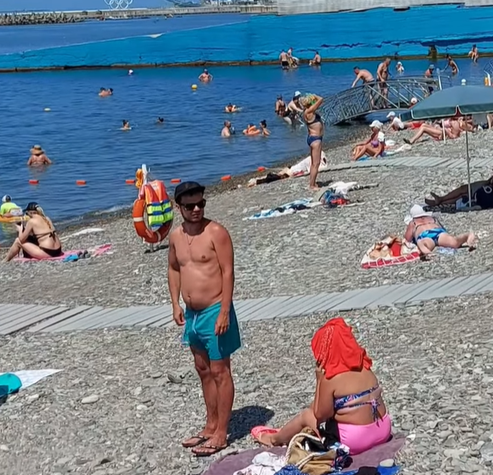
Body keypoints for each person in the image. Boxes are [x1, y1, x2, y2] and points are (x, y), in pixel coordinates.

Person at [168, 182, 238, 457]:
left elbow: (228, 272)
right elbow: (174, 268)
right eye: (190, 206)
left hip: (214, 309)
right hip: (192, 314)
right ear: (179, 208)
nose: (196, 209)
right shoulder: (176, 236)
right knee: (202, 368)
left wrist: (224, 311)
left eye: (201, 204)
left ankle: (222, 432)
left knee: (220, 371)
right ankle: (210, 425)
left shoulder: (216, 232)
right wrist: (175, 302)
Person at [253, 318, 392, 454]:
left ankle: (274, 439)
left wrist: (319, 380)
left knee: (305, 416)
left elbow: (320, 415)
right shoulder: (366, 368)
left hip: (356, 441)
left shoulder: (331, 379)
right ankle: (286, 431)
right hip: (383, 431)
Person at [426, 162, 493, 208]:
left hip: (487, 194)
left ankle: (438, 202)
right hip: (485, 188)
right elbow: (488, 181)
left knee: (463, 196)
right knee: (463, 188)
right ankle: (441, 199)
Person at [403, 204, 476, 258]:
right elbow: (443, 229)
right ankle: (466, 235)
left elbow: (408, 238)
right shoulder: (433, 219)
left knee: (423, 243)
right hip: (438, 232)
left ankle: (427, 252)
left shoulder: (413, 222)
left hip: (424, 235)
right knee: (454, 242)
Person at [299, 92, 325, 191]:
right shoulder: (309, 111)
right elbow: (321, 99)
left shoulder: (309, 111)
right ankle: (312, 185)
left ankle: (313, 182)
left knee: (314, 163)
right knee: (316, 163)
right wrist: (314, 95)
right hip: (315, 139)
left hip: (314, 138)